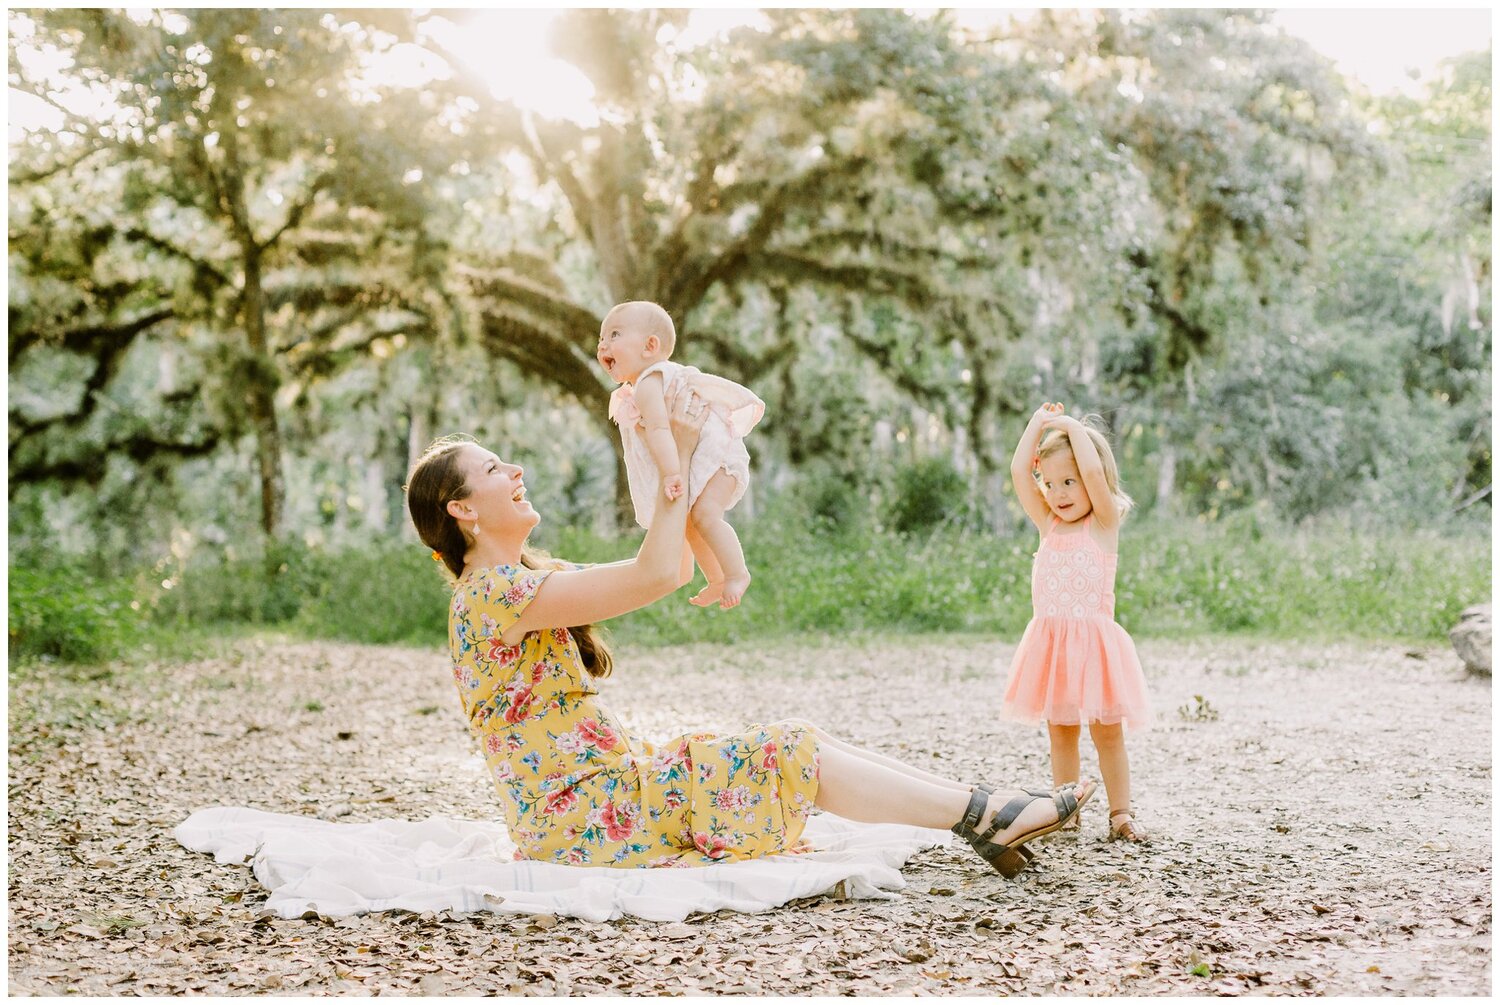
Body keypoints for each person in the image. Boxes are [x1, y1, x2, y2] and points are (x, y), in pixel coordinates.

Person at [404, 394, 1094, 876]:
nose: (515, 471)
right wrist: (671, 453)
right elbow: (653, 571)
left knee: (799, 740)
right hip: (583, 815)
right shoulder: (490, 593)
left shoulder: (523, 582)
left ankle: (982, 809)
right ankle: (985, 813)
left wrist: (683, 470)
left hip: (602, 795)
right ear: (461, 509)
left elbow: (672, 567)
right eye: (494, 469)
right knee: (786, 749)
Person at [1001, 403, 1152, 842]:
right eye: (1050, 483)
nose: (1059, 493)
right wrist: (1036, 424)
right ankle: (1065, 811)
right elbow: (1018, 471)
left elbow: (1092, 469)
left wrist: (1070, 427)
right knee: (1062, 734)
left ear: (1091, 480)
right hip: (1054, 650)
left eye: (1069, 482)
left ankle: (1121, 814)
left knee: (1108, 735)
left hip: (1095, 650)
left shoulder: (1103, 523)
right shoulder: (1048, 523)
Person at [598, 300, 763, 609]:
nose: (603, 344)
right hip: (709, 459)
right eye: (601, 338)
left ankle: (737, 573)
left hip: (717, 459)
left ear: (650, 346)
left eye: (614, 334)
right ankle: (717, 579)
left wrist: (671, 473)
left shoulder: (649, 382)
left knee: (705, 516)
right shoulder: (648, 384)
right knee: (690, 523)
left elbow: (660, 430)